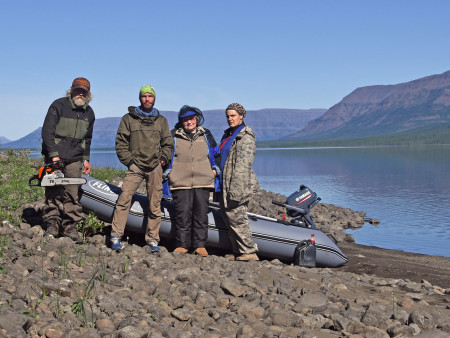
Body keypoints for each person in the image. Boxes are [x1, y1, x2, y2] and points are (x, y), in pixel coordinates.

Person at [110, 85, 174, 252]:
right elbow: (121, 143)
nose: (147, 99)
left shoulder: (162, 121)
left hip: (155, 167)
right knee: (124, 199)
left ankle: (152, 239)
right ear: (140, 98)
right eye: (144, 96)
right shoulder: (128, 119)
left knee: (155, 203)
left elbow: (168, 144)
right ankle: (116, 235)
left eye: (150, 96)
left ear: (154, 98)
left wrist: (162, 160)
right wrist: (130, 162)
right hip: (135, 167)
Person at [41, 77, 95, 243]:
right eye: (77, 90)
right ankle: (52, 222)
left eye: (83, 91)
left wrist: (85, 159)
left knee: (72, 192)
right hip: (55, 156)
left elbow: (87, 139)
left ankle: (69, 224)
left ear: (88, 94)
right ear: (71, 90)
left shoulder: (89, 113)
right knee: (53, 190)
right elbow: (47, 132)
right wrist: (54, 155)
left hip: (74, 158)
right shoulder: (58, 106)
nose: (80, 93)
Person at [162, 105, 220, 257]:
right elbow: (166, 154)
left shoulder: (206, 135)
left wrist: (215, 169)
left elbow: (216, 153)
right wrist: (167, 172)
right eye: (185, 120)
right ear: (181, 121)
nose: (189, 122)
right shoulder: (173, 135)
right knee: (183, 214)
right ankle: (182, 244)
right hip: (180, 181)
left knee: (201, 214)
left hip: (203, 180)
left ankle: (200, 245)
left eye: (191, 119)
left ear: (196, 119)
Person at [218, 103, 259, 261]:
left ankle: (249, 251)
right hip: (225, 182)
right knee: (228, 217)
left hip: (237, 184)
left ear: (241, 116)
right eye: (228, 116)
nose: (230, 119)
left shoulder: (245, 135)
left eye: (233, 115)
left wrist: (236, 190)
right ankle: (238, 251)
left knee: (237, 217)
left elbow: (243, 164)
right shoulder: (229, 134)